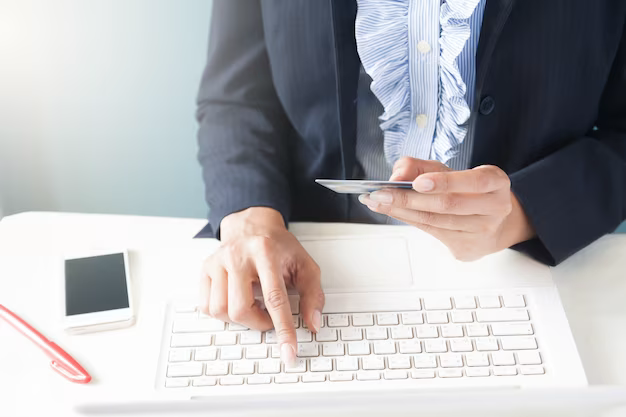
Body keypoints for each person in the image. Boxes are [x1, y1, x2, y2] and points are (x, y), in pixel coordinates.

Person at [195, 1, 626, 365]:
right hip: (303, 254)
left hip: (526, 269)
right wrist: (250, 217)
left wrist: (525, 211)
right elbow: (237, 96)